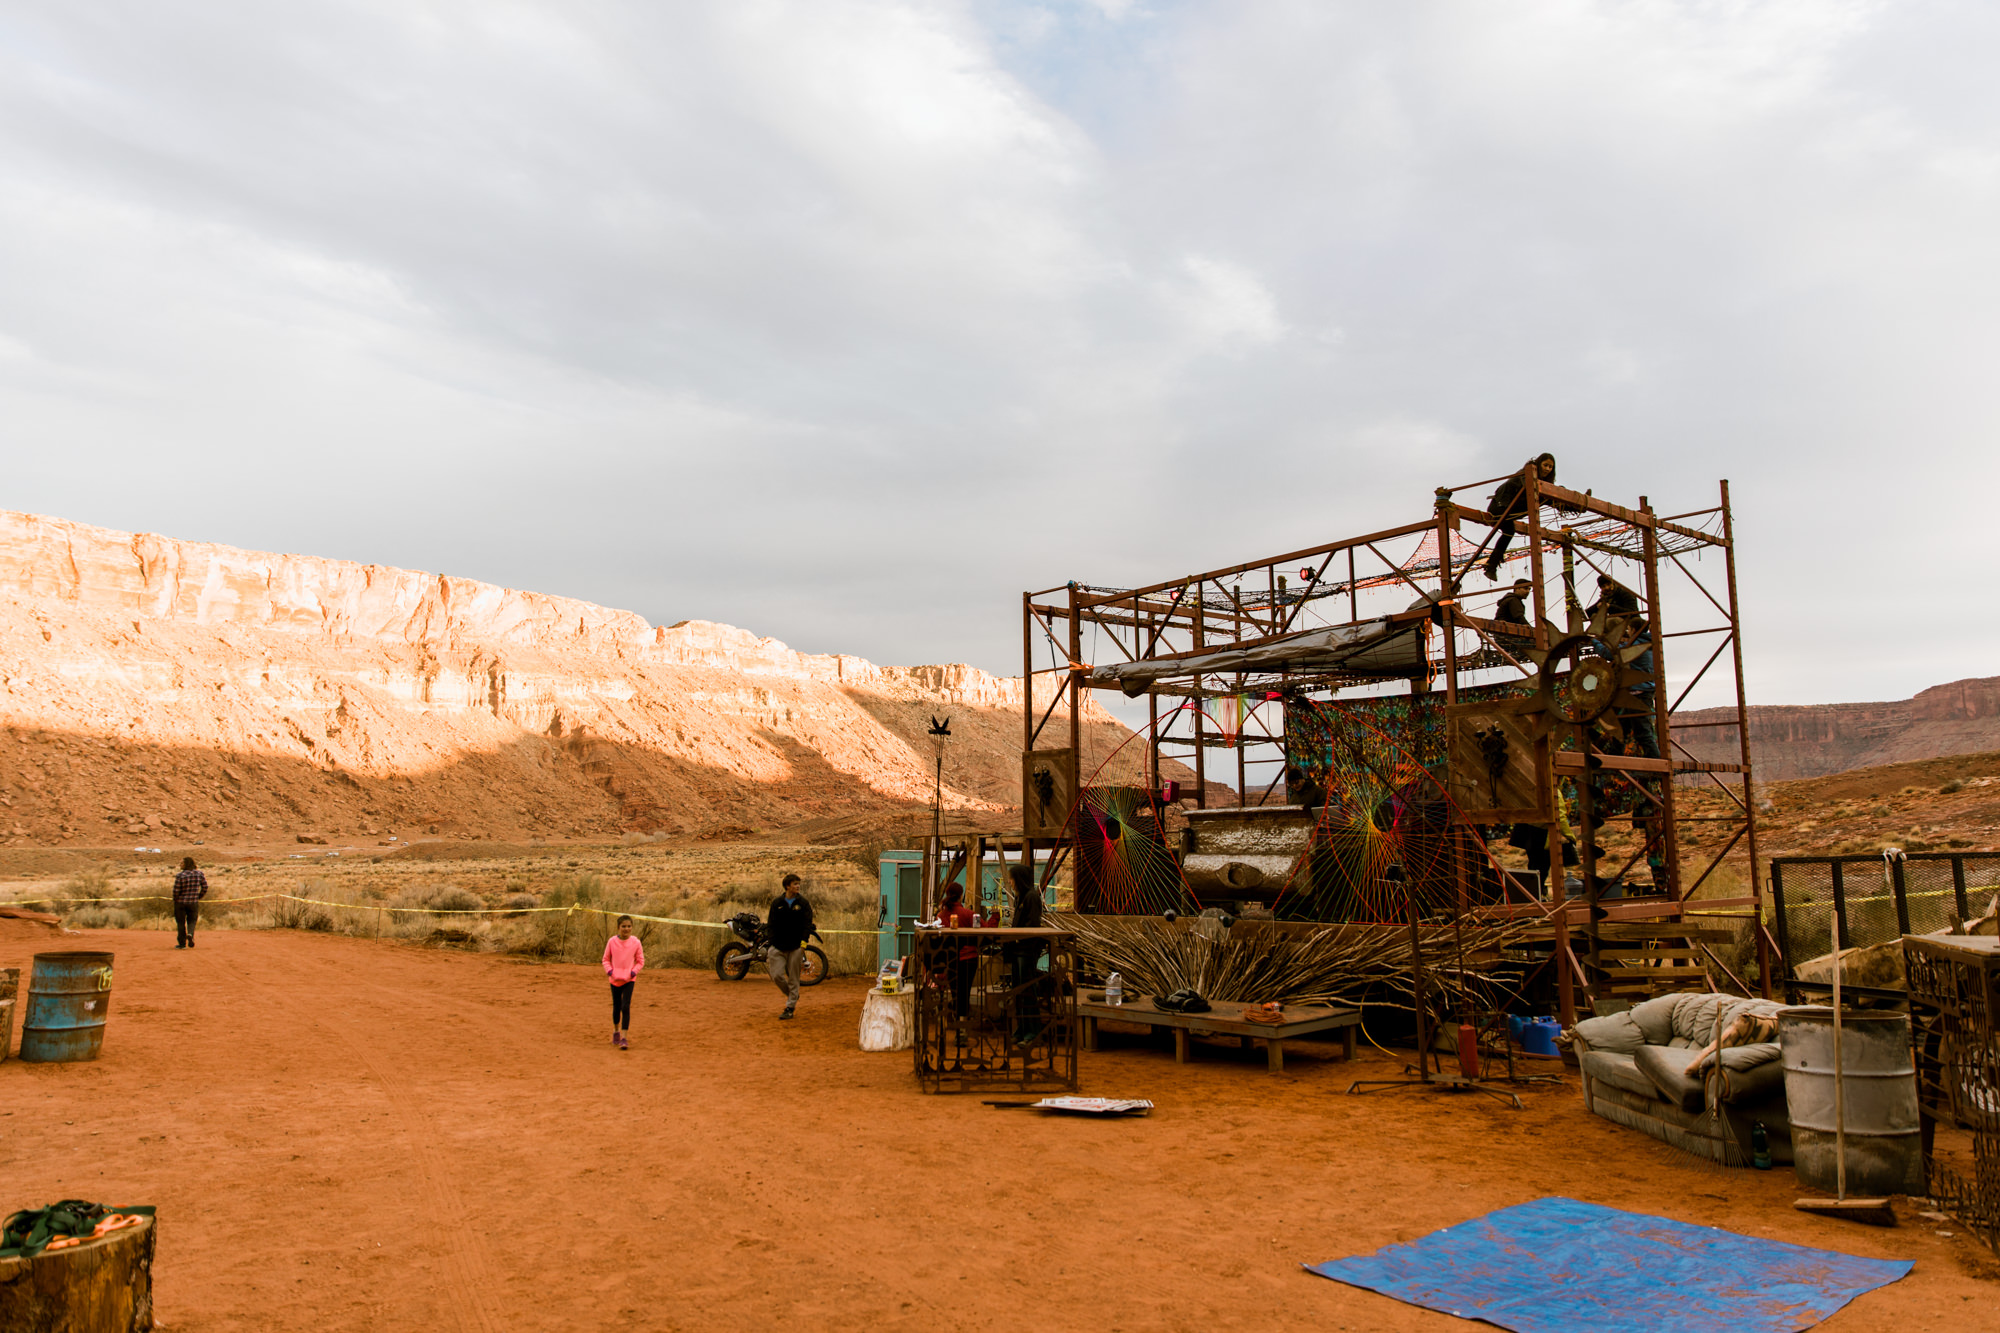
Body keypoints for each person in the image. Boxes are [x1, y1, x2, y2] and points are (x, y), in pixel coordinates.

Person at [1482, 453, 1557, 580]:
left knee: (1508, 532)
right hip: (1500, 507)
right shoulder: (1525, 475)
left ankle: (1491, 565)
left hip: (1510, 508)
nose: (1547, 469)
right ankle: (1491, 565)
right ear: (1538, 464)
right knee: (1509, 531)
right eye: (1545, 465)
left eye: (1550, 467)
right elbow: (1509, 491)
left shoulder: (1539, 482)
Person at [766, 874, 822, 1020]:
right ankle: (793, 995)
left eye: (798, 884)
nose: (797, 886)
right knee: (776, 975)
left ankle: (790, 1007)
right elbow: (771, 923)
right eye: (795, 884)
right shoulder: (777, 903)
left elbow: (807, 924)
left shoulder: (803, 903)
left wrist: (803, 943)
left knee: (794, 978)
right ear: (787, 886)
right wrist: (771, 941)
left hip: (795, 946)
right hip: (778, 946)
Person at [936, 881, 979, 1020]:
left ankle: (958, 1021)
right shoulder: (969, 914)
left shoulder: (941, 916)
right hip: (969, 959)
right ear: (961, 896)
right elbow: (985, 929)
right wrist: (996, 916)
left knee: (955, 992)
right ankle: (962, 1023)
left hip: (951, 959)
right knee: (965, 991)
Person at [602, 915, 644, 1049]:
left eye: (629, 926)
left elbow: (640, 961)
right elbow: (605, 959)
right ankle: (616, 1031)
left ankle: (624, 1037)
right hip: (614, 979)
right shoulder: (612, 942)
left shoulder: (636, 942)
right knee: (617, 1006)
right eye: (623, 926)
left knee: (626, 1007)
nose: (626, 929)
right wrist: (610, 972)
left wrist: (633, 972)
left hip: (629, 979)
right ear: (618, 927)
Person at [172, 856, 207, 949]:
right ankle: (190, 934)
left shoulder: (180, 876)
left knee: (180, 923)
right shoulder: (199, 874)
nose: (180, 865)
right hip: (193, 902)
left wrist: (175, 899)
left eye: (182, 863)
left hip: (181, 903)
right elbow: (205, 887)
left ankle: (182, 943)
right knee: (192, 920)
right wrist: (199, 896)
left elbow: (176, 890)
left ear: (186, 864)